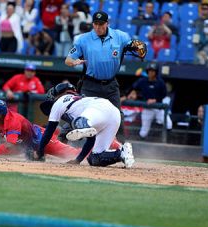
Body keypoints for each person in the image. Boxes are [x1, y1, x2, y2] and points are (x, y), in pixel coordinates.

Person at [65, 10, 146, 144]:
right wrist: (74, 62)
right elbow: (68, 59)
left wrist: (137, 48)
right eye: (95, 24)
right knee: (79, 113)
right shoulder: (83, 39)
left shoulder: (120, 36)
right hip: (90, 84)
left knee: (117, 115)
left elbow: (133, 45)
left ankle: (122, 145)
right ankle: (63, 138)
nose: (98, 27)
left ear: (107, 23)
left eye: (101, 24)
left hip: (110, 84)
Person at [34, 82, 134, 168]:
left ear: (60, 93)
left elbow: (49, 131)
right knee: (95, 159)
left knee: (78, 122)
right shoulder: (79, 102)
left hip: (97, 108)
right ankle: (122, 152)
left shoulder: (59, 102)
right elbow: (91, 137)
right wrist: (78, 160)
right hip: (113, 114)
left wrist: (40, 152)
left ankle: (82, 126)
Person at [0, 99, 81, 160]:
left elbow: (10, 145)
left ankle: (94, 150)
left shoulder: (12, 121)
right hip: (26, 145)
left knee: (74, 155)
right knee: (31, 157)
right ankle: (39, 154)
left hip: (43, 141)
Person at [127, 62, 172, 139]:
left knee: (169, 124)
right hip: (147, 108)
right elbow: (133, 87)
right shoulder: (142, 81)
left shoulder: (160, 82)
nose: (151, 72)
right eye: (149, 71)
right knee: (143, 132)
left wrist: (155, 99)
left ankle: (167, 142)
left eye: (153, 71)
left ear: (156, 72)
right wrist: (130, 93)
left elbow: (164, 94)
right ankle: (141, 147)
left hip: (159, 108)